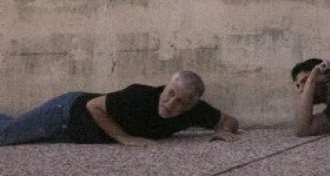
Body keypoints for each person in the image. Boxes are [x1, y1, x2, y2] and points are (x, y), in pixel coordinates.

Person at [0, 71, 240, 146]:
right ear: (166, 86)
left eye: (181, 102)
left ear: (192, 105)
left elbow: (229, 121)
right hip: (65, 113)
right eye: (170, 94)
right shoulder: (138, 96)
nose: (171, 103)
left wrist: (223, 131)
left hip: (73, 134)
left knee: (13, 126)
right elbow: (93, 106)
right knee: (5, 135)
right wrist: (125, 138)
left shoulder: (197, 110)